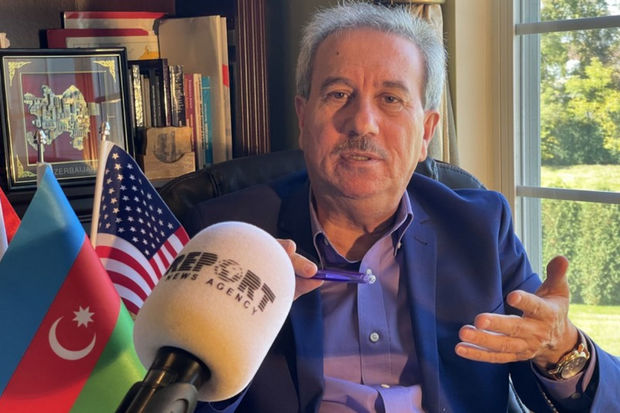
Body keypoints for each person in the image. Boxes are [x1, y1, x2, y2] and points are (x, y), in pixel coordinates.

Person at [190, 2, 619, 412]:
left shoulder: (480, 228)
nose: (362, 122)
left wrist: (562, 347)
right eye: (338, 94)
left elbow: (562, 375)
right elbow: (180, 398)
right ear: (303, 118)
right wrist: (232, 338)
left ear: (426, 132)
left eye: (391, 99)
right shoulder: (227, 234)